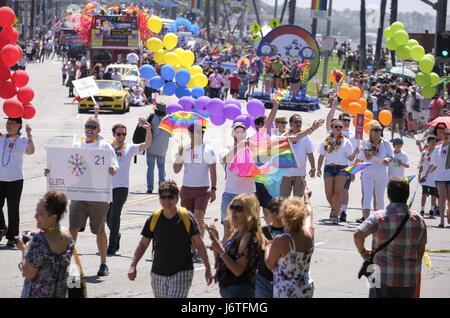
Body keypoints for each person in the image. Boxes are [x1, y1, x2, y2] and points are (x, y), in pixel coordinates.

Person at [46, 117, 119, 276]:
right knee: (73, 228)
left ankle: (103, 264)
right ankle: (67, 263)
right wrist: (51, 171)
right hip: (79, 195)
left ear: (99, 130)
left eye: (93, 127)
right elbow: (67, 165)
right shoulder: (78, 145)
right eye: (87, 126)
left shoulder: (105, 146)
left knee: (99, 230)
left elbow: (114, 164)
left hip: (98, 196)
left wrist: (113, 168)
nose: (90, 129)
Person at [128, 180, 213, 297]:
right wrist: (133, 265)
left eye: (170, 197)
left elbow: (199, 244)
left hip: (182, 272)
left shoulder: (186, 217)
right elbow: (143, 244)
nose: (166, 201)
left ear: (177, 198)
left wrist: (208, 268)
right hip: (158, 273)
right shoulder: (154, 218)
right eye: (163, 197)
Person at [354, 178, 427, 298]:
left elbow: (358, 234)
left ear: (388, 195)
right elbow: (421, 250)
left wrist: (362, 251)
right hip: (407, 277)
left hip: (379, 276)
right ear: (407, 195)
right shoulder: (419, 220)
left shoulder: (378, 217)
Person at [106, 120, 152, 256]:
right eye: (119, 134)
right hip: (107, 187)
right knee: (106, 217)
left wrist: (148, 129)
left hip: (121, 187)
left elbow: (147, 144)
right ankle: (117, 234)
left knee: (115, 215)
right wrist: (96, 114)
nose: (121, 137)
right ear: (114, 134)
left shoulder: (129, 148)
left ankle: (112, 245)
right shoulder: (108, 146)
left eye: (124, 134)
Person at [18, 191, 74, 298]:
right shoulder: (68, 236)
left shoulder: (39, 241)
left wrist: (24, 249)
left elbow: (29, 273)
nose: (35, 216)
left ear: (53, 218)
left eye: (40, 213)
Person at [207, 193, 264, 298]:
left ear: (249, 212)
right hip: (228, 288)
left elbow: (238, 271)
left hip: (240, 290)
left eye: (239, 208)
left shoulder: (248, 236)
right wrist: (216, 241)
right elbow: (221, 261)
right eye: (232, 207)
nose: (233, 211)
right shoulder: (236, 233)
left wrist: (220, 250)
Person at [265, 191, 314, 298]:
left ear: (285, 218)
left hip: (286, 290)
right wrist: (306, 198)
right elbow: (309, 213)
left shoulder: (282, 240)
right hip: (305, 287)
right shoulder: (309, 232)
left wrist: (268, 246)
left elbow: (270, 264)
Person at [174, 123, 217, 239]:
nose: (199, 135)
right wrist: (179, 155)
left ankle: (198, 247)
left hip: (203, 190)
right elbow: (176, 170)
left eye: (201, 133)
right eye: (196, 133)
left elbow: (213, 170)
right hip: (187, 189)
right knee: (187, 219)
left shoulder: (208, 149)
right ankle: (188, 246)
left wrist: (213, 189)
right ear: (190, 134)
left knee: (198, 217)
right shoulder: (185, 149)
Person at [0, 118, 35, 247]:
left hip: (15, 179)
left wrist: (30, 135)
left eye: (12, 123)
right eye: (8, 123)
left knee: (13, 208)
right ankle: (2, 227)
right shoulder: (2, 137)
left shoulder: (23, 139)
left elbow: (30, 151)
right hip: (0, 178)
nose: (9, 125)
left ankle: (12, 237)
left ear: (19, 125)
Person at [317, 120, 358, 224]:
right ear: (332, 128)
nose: (339, 128)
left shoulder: (346, 141)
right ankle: (336, 208)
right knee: (328, 194)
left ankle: (335, 215)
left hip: (342, 169)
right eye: (337, 127)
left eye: (341, 127)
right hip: (329, 168)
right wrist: (318, 168)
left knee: (338, 192)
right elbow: (321, 155)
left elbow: (350, 157)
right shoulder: (326, 140)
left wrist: (356, 152)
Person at [220, 122, 255, 244]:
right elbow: (224, 159)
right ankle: (223, 260)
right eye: (237, 131)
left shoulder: (252, 149)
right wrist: (240, 146)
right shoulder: (227, 149)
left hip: (247, 196)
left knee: (246, 231)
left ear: (245, 134)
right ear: (233, 134)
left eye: (242, 131)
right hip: (230, 194)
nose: (239, 133)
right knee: (228, 230)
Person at [358, 122, 393, 223]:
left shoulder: (386, 143)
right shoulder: (365, 143)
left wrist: (387, 159)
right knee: (367, 195)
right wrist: (375, 144)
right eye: (375, 130)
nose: (378, 132)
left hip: (381, 172)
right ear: (371, 132)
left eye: (379, 130)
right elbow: (368, 156)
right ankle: (366, 220)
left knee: (380, 197)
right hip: (368, 171)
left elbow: (391, 156)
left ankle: (380, 220)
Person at [255, 197, 285, 298]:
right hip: (263, 279)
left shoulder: (290, 233)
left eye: (278, 210)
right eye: (272, 210)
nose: (275, 214)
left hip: (283, 280)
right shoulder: (262, 232)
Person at [281, 114, 316, 198]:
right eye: (296, 121)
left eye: (300, 122)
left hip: (300, 173)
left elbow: (310, 153)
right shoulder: (283, 136)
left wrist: (313, 168)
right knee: (284, 198)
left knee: (297, 199)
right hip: (285, 173)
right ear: (290, 124)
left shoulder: (306, 137)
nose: (298, 123)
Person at [144, 103, 170, 194]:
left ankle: (150, 188)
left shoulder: (151, 118)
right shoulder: (168, 120)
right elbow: (170, 134)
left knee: (150, 167)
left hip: (151, 146)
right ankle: (162, 187)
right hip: (163, 148)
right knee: (161, 167)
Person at [427, 128, 450, 228]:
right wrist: (426, 174)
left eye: (448, 134)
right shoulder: (437, 148)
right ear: (441, 135)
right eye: (445, 134)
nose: (446, 136)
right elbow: (433, 164)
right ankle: (441, 221)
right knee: (442, 198)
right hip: (440, 177)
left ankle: (448, 213)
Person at [419, 135, 439, 217]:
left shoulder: (437, 153)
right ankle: (422, 209)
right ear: (428, 143)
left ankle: (431, 209)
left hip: (433, 177)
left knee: (433, 194)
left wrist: (429, 173)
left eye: (435, 142)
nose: (433, 144)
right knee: (424, 193)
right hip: (424, 177)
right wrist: (419, 175)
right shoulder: (424, 153)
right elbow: (421, 165)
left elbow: (436, 166)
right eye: (432, 142)